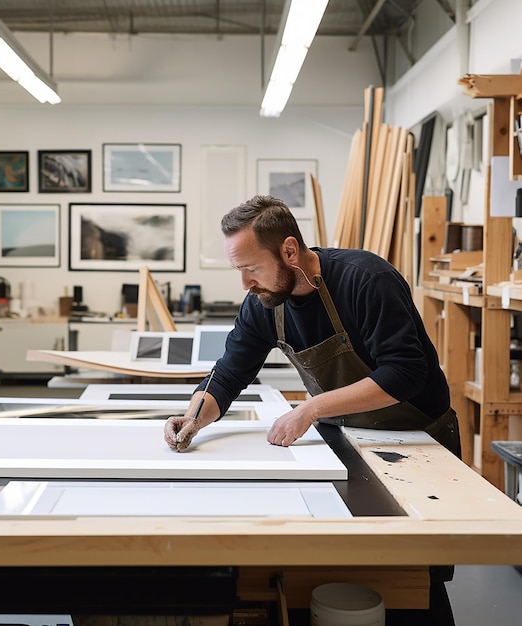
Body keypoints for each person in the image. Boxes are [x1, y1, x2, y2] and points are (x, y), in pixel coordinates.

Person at [163, 194, 461, 626]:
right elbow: (227, 375)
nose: (245, 283)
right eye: (239, 270)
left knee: (419, 571)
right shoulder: (264, 302)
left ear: (288, 250)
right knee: (353, 561)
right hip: (348, 440)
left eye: (252, 267)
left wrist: (311, 408)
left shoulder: (366, 280)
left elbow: (406, 372)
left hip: (418, 438)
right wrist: (194, 417)